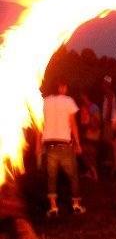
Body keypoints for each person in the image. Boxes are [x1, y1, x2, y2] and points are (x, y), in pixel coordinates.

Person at [37, 76, 86, 216]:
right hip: (64, 144)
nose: (66, 89)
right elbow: (73, 124)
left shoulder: (44, 102)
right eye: (65, 86)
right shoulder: (68, 101)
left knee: (51, 177)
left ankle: (53, 208)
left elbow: (39, 125)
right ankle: (76, 205)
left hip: (49, 145)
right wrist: (77, 142)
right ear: (60, 87)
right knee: (73, 176)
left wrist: (37, 145)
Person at [78, 90, 101, 182]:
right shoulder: (85, 107)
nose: (81, 97)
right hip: (87, 133)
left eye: (82, 95)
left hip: (92, 134)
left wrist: (92, 127)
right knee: (85, 153)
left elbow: (97, 121)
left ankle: (94, 174)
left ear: (86, 96)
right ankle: (90, 172)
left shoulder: (93, 107)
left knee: (89, 154)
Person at [101, 75, 116, 173]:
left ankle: (111, 162)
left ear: (107, 84)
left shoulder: (109, 94)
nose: (102, 85)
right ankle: (109, 162)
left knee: (108, 142)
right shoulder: (109, 94)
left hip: (110, 121)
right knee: (107, 141)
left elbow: (110, 106)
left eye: (103, 83)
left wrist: (107, 119)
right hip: (110, 120)